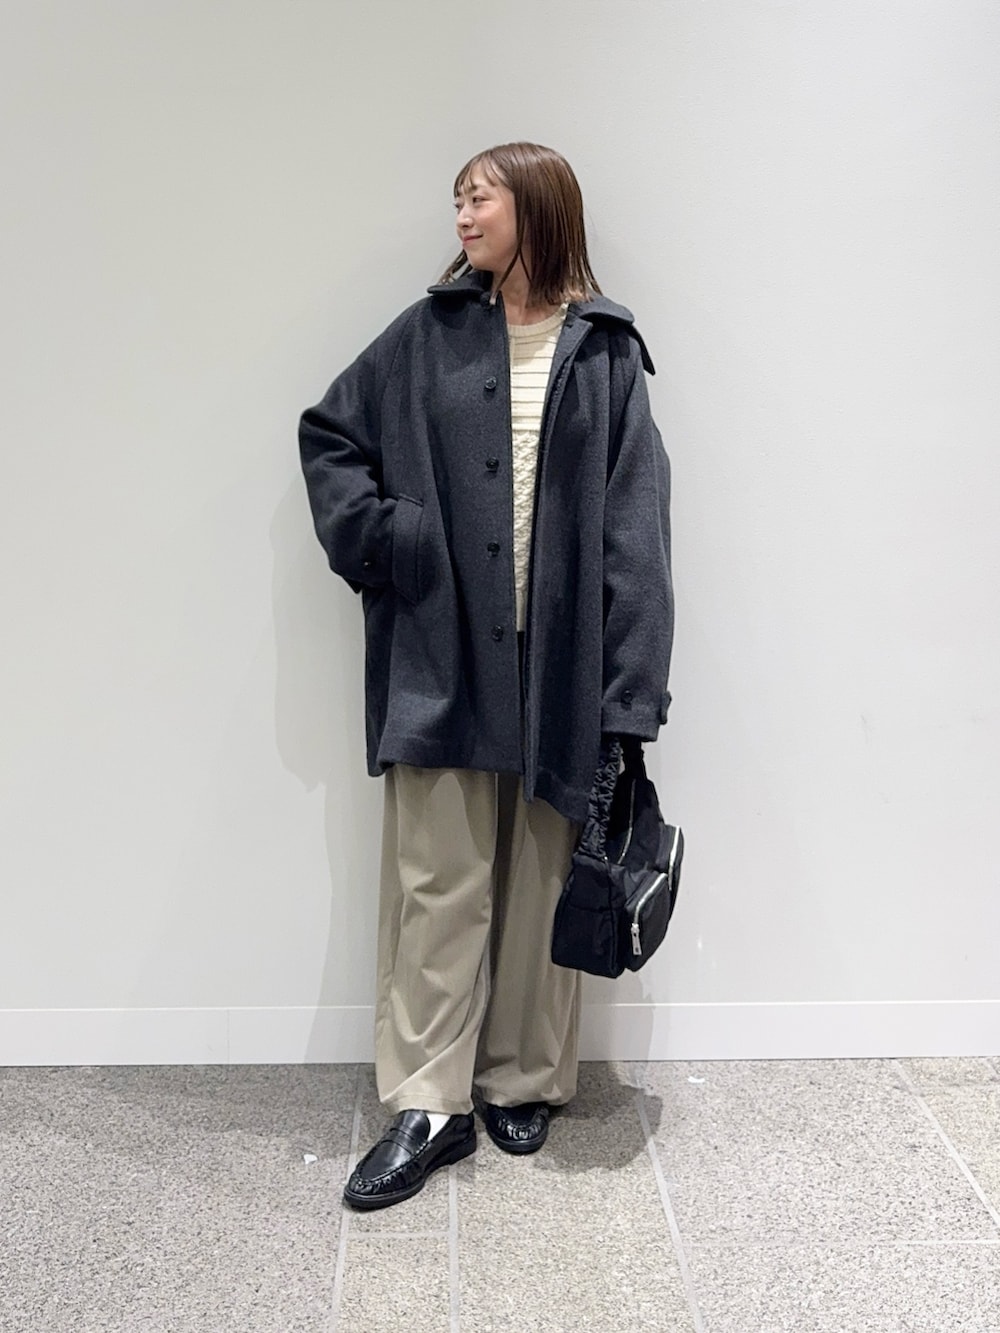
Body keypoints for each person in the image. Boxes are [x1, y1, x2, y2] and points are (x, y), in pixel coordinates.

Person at [299, 142, 674, 1211]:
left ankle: (521, 1077)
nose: (463, 217)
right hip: (443, 656)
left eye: (481, 199)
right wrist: (393, 538)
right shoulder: (426, 334)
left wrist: (629, 694)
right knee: (438, 882)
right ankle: (429, 1101)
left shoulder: (604, 352)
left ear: (538, 208)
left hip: (562, 668)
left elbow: (637, 532)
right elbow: (330, 436)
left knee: (544, 877)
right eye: (458, 201)